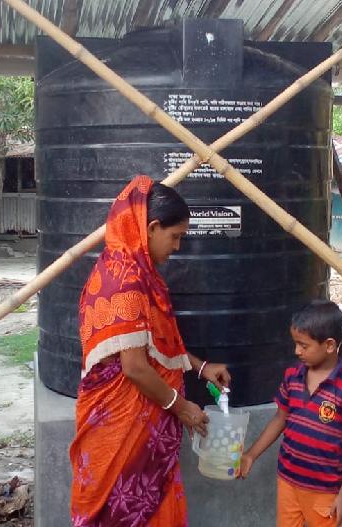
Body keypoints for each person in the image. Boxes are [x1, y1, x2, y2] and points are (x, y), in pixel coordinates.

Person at [70, 175, 232, 527]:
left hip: (145, 427)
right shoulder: (124, 281)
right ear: (153, 227)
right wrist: (183, 408)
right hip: (121, 427)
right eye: (175, 237)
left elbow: (154, 343)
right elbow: (135, 367)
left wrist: (200, 367)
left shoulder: (137, 273)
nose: (177, 248)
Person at [237, 300, 342, 527]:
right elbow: (279, 419)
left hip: (324, 490)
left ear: (330, 345)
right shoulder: (292, 377)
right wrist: (250, 455)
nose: (297, 351)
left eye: (303, 346)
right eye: (295, 344)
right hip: (288, 481)